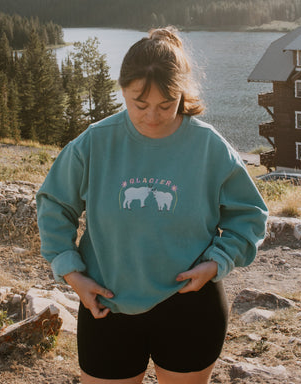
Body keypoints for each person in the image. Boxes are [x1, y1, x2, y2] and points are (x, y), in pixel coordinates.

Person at [36, 27, 268, 384]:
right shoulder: (95, 143)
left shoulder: (209, 147)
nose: (152, 117)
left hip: (190, 304)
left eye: (166, 105)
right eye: (138, 104)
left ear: (182, 93)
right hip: (105, 304)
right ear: (123, 90)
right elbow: (54, 205)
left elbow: (249, 216)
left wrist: (217, 262)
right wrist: (71, 272)